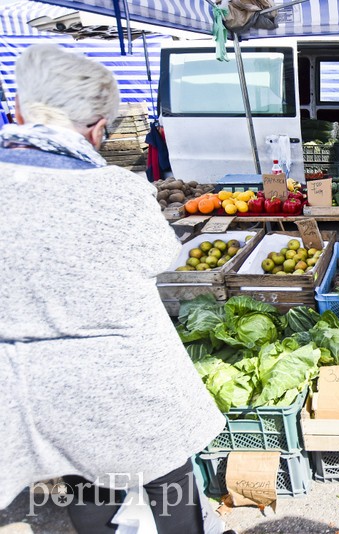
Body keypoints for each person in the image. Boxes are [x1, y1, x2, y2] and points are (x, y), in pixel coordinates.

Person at [0, 45, 225, 532]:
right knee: (169, 485)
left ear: (18, 111)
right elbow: (162, 257)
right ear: (97, 127)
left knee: (83, 481)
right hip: (127, 383)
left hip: (32, 391)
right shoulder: (115, 192)